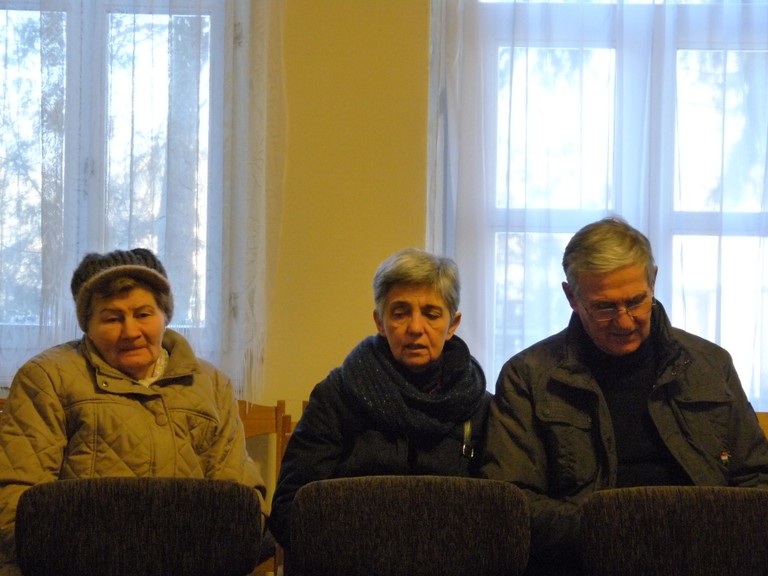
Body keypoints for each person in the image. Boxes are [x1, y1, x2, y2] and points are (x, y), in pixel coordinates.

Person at [482, 217, 768, 576]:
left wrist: (704, 531)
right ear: (571, 297)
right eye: (604, 307)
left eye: (636, 302)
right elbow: (512, 503)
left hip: (704, 555)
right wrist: (620, 530)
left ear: (654, 281)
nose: (624, 321)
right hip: (583, 559)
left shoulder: (710, 364)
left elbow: (756, 479)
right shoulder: (528, 376)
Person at [0, 248, 266, 573]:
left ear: (164, 316)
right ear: (87, 325)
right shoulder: (46, 378)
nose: (130, 332)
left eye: (143, 314)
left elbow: (239, 498)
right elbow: (16, 502)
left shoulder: (212, 384)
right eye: (112, 318)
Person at [269, 248, 491, 566]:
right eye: (400, 313)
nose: (416, 328)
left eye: (431, 314)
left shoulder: (480, 407)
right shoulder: (336, 396)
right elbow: (290, 511)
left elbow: (496, 518)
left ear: (452, 324)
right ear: (380, 322)